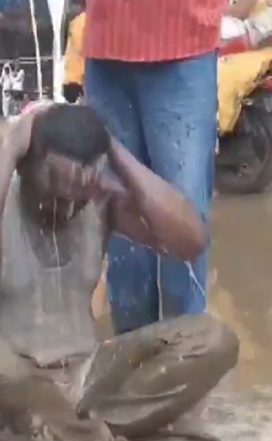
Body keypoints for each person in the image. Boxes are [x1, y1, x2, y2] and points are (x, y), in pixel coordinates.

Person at [0, 104, 239, 441]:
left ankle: (86, 432)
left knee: (213, 338)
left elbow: (191, 241)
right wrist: (9, 150)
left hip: (82, 385)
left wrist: (114, 151)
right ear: (25, 166)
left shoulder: (101, 202)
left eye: (79, 199)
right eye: (57, 196)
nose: (69, 208)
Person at [83, 0, 224, 334]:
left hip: (183, 40)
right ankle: (131, 357)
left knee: (182, 219)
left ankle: (184, 357)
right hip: (106, 41)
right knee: (117, 213)